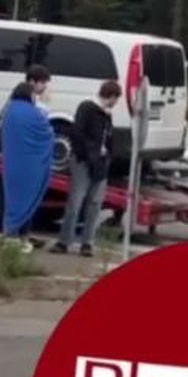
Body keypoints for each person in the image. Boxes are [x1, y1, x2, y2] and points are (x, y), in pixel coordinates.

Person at [54, 79, 121, 257]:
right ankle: (64, 241)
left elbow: (109, 138)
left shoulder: (106, 115)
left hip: (100, 163)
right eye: (116, 99)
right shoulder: (87, 108)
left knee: (95, 204)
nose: (116, 103)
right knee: (76, 201)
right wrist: (89, 153)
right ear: (112, 96)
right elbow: (77, 133)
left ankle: (87, 243)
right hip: (84, 161)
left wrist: (108, 155)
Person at [0, 65, 54, 249]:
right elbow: (46, 130)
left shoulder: (12, 107)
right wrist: (44, 107)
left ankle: (10, 233)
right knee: (26, 197)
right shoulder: (31, 110)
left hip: (12, 161)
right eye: (43, 82)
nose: (45, 87)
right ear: (32, 82)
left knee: (12, 197)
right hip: (28, 164)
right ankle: (16, 236)